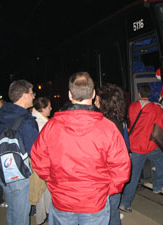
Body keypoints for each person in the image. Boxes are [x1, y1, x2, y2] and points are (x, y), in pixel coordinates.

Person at [31, 72, 131, 225]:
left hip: (62, 200)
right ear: (93, 94)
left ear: (70, 95)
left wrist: (53, 181)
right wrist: (108, 189)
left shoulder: (52, 126)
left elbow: (38, 159)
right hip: (95, 202)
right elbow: (121, 166)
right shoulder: (107, 128)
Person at [0, 80, 39, 225]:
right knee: (21, 216)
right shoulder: (26, 120)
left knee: (12, 210)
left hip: (2, 169)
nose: (33, 97)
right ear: (24, 95)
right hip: (19, 173)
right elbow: (35, 151)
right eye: (32, 93)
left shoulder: (2, 114)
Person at [119, 84, 163, 213]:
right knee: (162, 161)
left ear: (139, 94)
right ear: (149, 94)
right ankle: (158, 186)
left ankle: (125, 203)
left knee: (133, 176)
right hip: (150, 146)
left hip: (135, 146)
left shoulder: (132, 107)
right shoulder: (156, 109)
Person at [95, 83, 127, 225]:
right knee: (113, 211)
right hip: (115, 175)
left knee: (107, 212)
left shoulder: (105, 122)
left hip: (106, 176)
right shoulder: (118, 118)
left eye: (98, 99)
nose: (96, 101)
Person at [29, 97, 52, 225]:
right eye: (49, 107)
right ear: (42, 109)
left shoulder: (41, 121)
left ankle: (44, 214)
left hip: (41, 161)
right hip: (42, 162)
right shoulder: (40, 123)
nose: (51, 109)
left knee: (43, 190)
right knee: (41, 190)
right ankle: (42, 216)